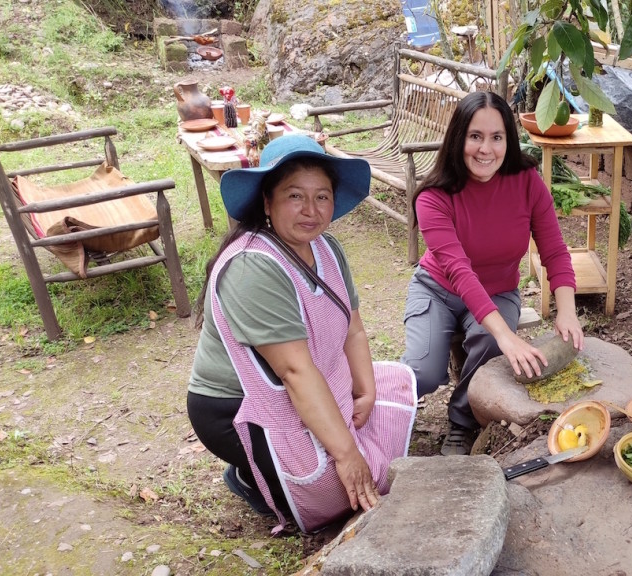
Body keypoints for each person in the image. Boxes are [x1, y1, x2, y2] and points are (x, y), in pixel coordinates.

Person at [187, 135, 417, 533]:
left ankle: (280, 467)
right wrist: (345, 454)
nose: (311, 211)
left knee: (389, 393)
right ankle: (252, 476)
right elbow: (294, 371)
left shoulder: (327, 249)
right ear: (266, 201)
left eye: (322, 197)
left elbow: (353, 329)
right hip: (239, 405)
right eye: (295, 196)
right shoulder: (252, 267)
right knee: (338, 496)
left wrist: (364, 392)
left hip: (306, 381)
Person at [401, 91, 584, 456]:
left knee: (487, 341)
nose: (486, 149)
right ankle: (382, 413)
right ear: (459, 138)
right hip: (438, 289)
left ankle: (461, 421)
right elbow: (458, 271)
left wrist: (567, 311)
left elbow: (555, 250)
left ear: (508, 140)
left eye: (496, 137)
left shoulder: (527, 181)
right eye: (475, 136)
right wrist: (508, 336)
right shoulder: (433, 197)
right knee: (423, 372)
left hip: (499, 290)